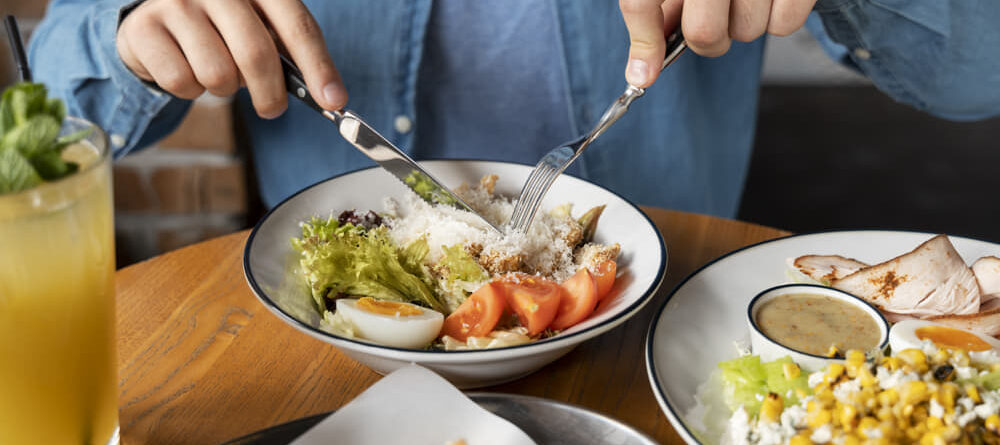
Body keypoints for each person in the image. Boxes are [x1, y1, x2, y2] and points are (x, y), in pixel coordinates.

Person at [28, 0, 1000, 217]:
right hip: (333, 380)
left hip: (657, 352)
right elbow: (49, 88)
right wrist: (133, 30)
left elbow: (976, 70)